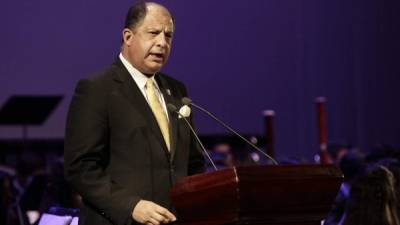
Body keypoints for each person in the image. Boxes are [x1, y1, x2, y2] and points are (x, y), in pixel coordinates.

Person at [64, 2, 205, 225]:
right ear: (128, 37)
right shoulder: (97, 89)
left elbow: (193, 163)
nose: (162, 43)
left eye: (168, 36)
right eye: (153, 33)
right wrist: (131, 206)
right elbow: (81, 169)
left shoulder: (177, 91)